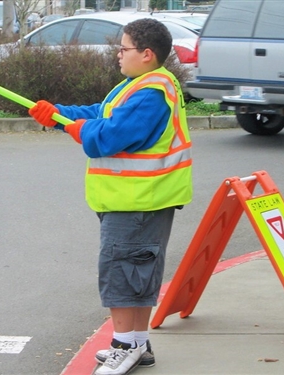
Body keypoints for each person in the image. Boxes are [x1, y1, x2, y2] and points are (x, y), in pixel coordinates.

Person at [28, 18, 192, 375]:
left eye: (124, 48)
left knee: (123, 273)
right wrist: (57, 114)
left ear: (146, 54)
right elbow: (98, 115)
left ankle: (124, 346)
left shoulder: (151, 93)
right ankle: (136, 343)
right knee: (137, 272)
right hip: (136, 201)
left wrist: (76, 128)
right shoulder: (139, 86)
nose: (118, 54)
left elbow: (109, 135)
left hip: (139, 201)